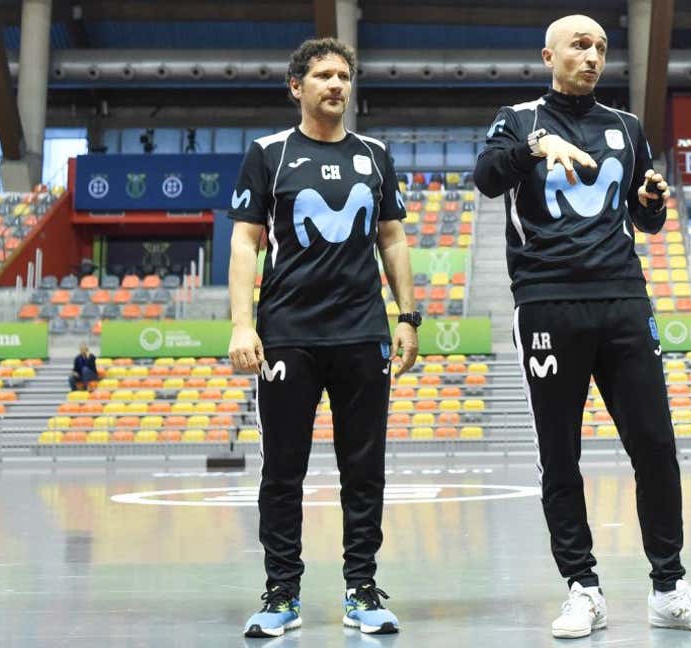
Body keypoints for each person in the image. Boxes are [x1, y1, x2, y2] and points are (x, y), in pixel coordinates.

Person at [474, 14, 691, 640]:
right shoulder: (518, 120)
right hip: (545, 303)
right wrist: (538, 146)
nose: (592, 56)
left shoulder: (626, 127)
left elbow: (645, 225)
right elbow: (486, 180)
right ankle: (581, 589)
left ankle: (669, 587)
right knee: (560, 456)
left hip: (623, 299)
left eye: (600, 47)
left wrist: (650, 202)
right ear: (548, 55)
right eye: (579, 46)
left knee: (656, 447)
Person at [227, 37, 419, 638]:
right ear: (297, 87)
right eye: (323, 76)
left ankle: (362, 589)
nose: (336, 85)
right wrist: (241, 323)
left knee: (364, 470)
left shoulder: (375, 154)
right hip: (288, 336)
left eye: (344, 75)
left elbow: (391, 237)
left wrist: (408, 316)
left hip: (363, 335)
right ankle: (281, 592)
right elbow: (244, 242)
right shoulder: (269, 154)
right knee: (282, 471)